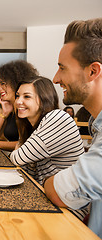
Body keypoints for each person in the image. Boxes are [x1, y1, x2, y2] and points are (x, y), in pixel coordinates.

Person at [44, 18, 102, 238]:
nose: (56, 78)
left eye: (62, 68)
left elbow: (59, 193)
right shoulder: (96, 126)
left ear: (93, 71)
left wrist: (51, 181)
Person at [9, 76, 88, 221]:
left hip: (68, 207)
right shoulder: (34, 126)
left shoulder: (58, 117)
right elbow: (26, 172)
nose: (18, 101)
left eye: (27, 96)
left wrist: (18, 148)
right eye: (18, 96)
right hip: (48, 198)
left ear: (44, 99)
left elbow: (17, 158)